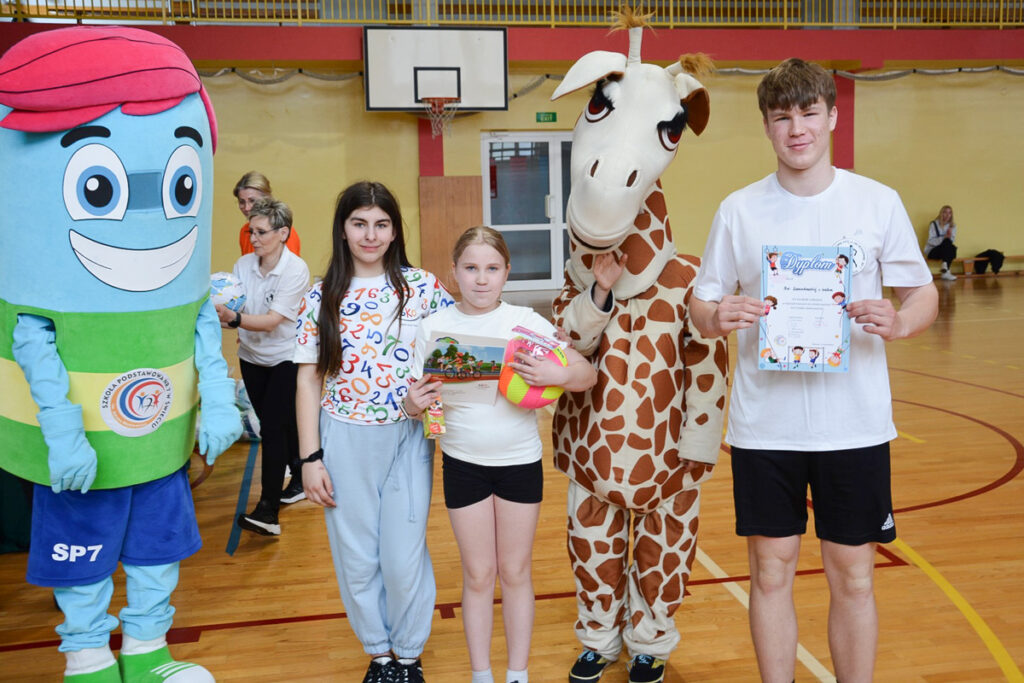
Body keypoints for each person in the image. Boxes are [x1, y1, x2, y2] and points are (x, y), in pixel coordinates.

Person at [690, 58, 938, 683]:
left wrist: (900, 322)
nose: (796, 128)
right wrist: (717, 315)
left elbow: (923, 294)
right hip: (765, 429)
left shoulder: (876, 202)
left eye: (808, 113)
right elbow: (701, 304)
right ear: (766, 126)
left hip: (854, 427)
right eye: (782, 117)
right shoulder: (740, 210)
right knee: (769, 573)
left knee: (853, 576)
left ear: (831, 116)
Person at [410, 227, 597, 683]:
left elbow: (585, 374)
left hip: (518, 464)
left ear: (506, 272)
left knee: (514, 571)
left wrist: (557, 372)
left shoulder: (526, 324)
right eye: (471, 268)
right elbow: (418, 405)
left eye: (491, 268)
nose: (481, 279)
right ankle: (481, 675)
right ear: (454, 271)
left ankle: (517, 674)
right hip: (462, 465)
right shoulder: (433, 328)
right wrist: (414, 405)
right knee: (478, 574)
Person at [294, 181, 453, 683]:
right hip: (344, 438)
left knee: (403, 557)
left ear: (395, 230)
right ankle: (381, 656)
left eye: (381, 224)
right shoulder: (321, 295)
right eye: (359, 223)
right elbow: (307, 380)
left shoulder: (422, 288)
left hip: (409, 437)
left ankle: (409, 654)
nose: (371, 235)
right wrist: (310, 459)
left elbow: (455, 353)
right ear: (342, 229)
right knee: (358, 558)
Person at [217, 198, 310, 534]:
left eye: (261, 232)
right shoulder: (243, 265)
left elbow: (271, 320)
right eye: (250, 232)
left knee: (271, 429)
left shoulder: (295, 269)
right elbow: (239, 310)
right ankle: (299, 476)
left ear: (282, 233)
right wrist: (222, 315)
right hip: (251, 358)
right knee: (283, 425)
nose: (253, 238)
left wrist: (233, 318)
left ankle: (268, 512)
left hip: (285, 357)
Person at [233, 171, 302, 257]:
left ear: (267, 198)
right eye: (242, 202)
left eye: (252, 200)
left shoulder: (282, 232)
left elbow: (290, 264)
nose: (247, 208)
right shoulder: (244, 231)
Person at [925, 205, 958, 281]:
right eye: (945, 212)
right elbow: (930, 241)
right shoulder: (934, 224)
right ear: (941, 213)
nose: (947, 215)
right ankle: (946, 272)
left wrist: (948, 238)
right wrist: (943, 238)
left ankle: (945, 266)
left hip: (944, 251)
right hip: (933, 251)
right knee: (950, 246)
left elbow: (951, 241)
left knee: (952, 247)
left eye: (949, 213)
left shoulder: (953, 226)